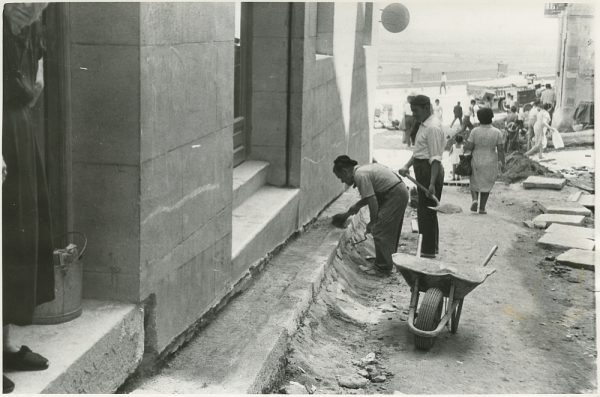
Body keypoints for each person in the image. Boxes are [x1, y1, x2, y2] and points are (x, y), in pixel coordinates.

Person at [3, 4, 54, 393]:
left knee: (18, 241)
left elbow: (35, 90)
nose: (33, 8)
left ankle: (4, 345)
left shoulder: (33, 29)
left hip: (20, 131)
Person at [333, 155, 409, 274]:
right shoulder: (363, 170)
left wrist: (372, 222)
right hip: (396, 192)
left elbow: (373, 201)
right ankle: (386, 259)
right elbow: (372, 195)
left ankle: (382, 268)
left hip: (395, 195)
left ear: (345, 171)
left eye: (340, 177)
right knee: (387, 229)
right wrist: (357, 206)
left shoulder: (360, 175)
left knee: (380, 229)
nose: (342, 181)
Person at [398, 95, 445, 258]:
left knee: (427, 212)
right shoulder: (423, 125)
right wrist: (407, 166)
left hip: (430, 172)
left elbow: (435, 158)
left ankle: (428, 252)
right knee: (425, 211)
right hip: (422, 169)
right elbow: (419, 152)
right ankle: (430, 248)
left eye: (416, 111)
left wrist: (431, 183)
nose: (414, 115)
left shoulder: (433, 127)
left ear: (426, 108)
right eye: (412, 111)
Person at [464, 107, 506, 214]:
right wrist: (502, 163)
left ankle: (474, 200)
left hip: (476, 159)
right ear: (491, 117)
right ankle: (482, 208)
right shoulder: (497, 132)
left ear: (478, 118)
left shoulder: (474, 131)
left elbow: (469, 147)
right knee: (487, 183)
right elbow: (501, 150)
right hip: (491, 160)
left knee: (474, 181)